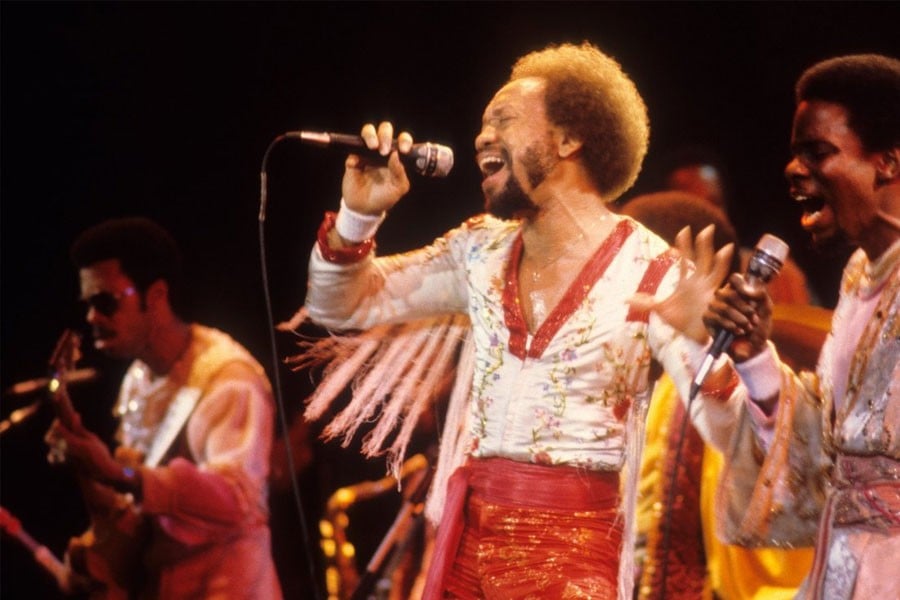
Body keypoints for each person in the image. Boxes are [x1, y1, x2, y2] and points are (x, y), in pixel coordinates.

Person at [298, 42, 738, 599]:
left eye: (502, 120)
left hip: (571, 560)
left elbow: (728, 431)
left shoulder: (651, 272)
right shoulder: (478, 250)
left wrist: (703, 345)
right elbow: (340, 305)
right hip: (466, 548)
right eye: (483, 125)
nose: (481, 137)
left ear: (568, 139)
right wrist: (359, 215)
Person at [700, 54, 900, 599]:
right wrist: (754, 356)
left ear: (886, 162)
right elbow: (827, 449)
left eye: (818, 152)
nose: (793, 169)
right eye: (795, 153)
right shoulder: (860, 276)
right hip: (840, 572)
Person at [45, 217, 283, 599]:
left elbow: (238, 500)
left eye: (105, 302)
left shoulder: (228, 379)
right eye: (88, 305)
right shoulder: (138, 378)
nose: (92, 318)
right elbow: (139, 507)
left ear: (155, 295)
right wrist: (91, 473)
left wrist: (118, 472)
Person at [620, 191, 817, 600]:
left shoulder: (714, 387)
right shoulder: (650, 389)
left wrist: (699, 340)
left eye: (624, 279)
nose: (616, 300)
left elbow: (778, 567)